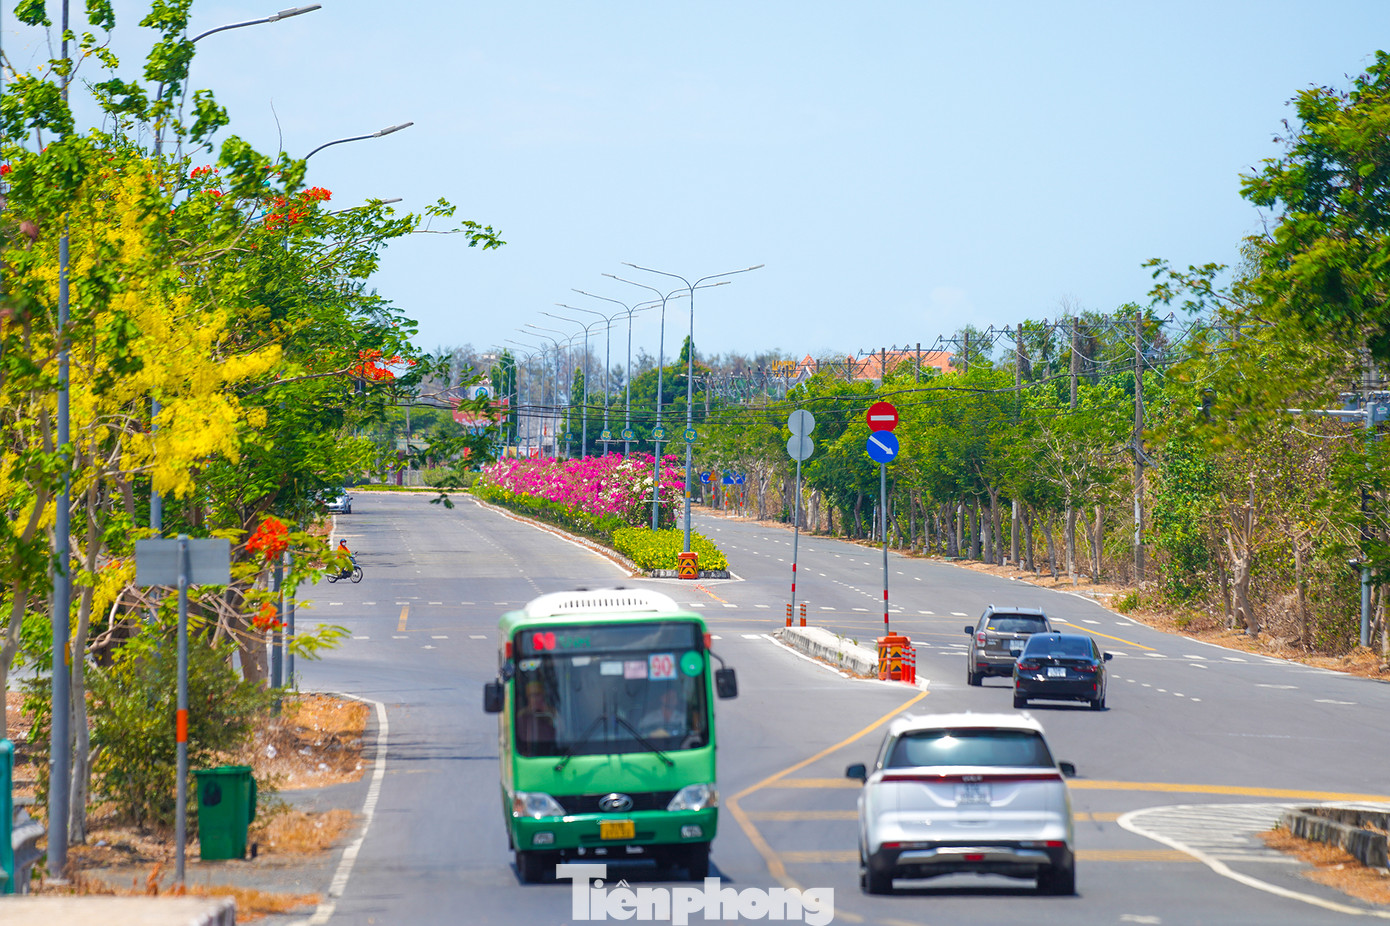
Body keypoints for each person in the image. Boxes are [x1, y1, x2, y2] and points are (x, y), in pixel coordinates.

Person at [516, 680, 558, 747]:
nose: (535, 699)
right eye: (532, 695)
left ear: (543, 696)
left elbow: (562, 731)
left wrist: (547, 712)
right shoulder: (522, 714)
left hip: (551, 747)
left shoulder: (552, 712)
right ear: (528, 698)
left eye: (537, 695)